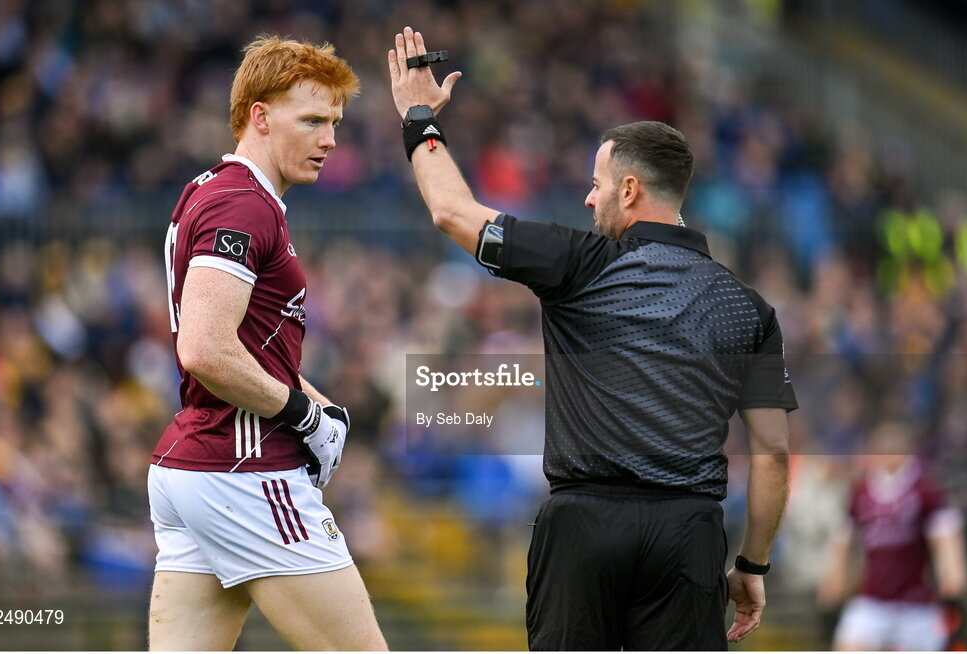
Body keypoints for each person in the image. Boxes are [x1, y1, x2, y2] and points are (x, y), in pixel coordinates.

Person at [388, 26, 797, 650]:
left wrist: (419, 119)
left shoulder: (578, 261)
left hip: (583, 527)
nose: (587, 197)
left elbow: (452, 212)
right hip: (689, 535)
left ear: (629, 190)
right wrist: (752, 566)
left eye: (597, 184)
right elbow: (771, 453)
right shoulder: (748, 308)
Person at [146, 36, 387, 651]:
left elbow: (246, 344)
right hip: (246, 470)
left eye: (334, 121)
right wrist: (302, 415)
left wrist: (317, 403)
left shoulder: (220, 191)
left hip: (196, 464)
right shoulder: (243, 204)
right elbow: (203, 348)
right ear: (259, 116)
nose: (329, 138)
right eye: (311, 120)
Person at [818, 421, 966, 651]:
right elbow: (843, 537)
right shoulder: (861, 491)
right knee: (848, 645)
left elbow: (945, 536)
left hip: (916, 604)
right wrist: (834, 579)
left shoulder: (925, 490)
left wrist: (952, 574)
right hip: (872, 600)